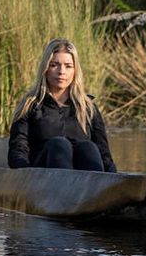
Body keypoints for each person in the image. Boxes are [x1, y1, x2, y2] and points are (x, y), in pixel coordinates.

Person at [8, 38, 116, 172]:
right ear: (45, 68)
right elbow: (18, 151)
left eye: (68, 66)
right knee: (59, 144)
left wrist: (116, 184)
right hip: (42, 177)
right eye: (54, 65)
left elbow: (104, 154)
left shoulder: (88, 107)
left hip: (82, 181)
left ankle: (96, 191)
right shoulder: (30, 104)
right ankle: (64, 190)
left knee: (88, 147)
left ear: (75, 70)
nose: (61, 72)